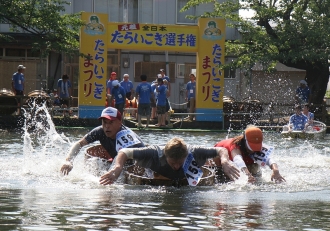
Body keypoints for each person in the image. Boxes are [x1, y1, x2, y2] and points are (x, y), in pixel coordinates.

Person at [99, 137, 241, 186]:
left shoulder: (193, 151)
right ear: (165, 156)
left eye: (180, 162)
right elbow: (124, 152)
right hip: (156, 177)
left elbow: (221, 149)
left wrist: (225, 162)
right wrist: (117, 168)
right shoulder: (154, 152)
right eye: (173, 163)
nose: (177, 166)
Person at [60, 107, 145, 175]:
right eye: (104, 122)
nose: (107, 126)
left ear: (120, 122)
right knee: (95, 162)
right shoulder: (99, 131)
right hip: (117, 163)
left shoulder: (125, 135)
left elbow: (138, 160)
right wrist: (69, 161)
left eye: (111, 122)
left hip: (137, 166)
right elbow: (79, 144)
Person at [213, 126, 286, 184]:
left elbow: (269, 159)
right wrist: (248, 175)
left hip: (243, 162)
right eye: (252, 147)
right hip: (219, 161)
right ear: (245, 141)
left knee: (254, 168)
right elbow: (238, 160)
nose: (254, 150)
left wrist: (276, 171)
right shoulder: (235, 145)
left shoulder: (258, 143)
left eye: (256, 146)